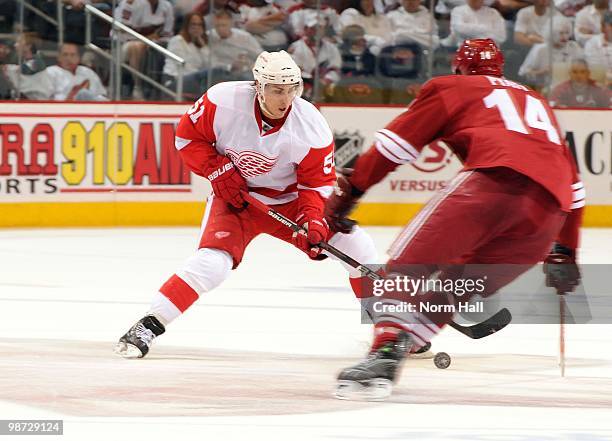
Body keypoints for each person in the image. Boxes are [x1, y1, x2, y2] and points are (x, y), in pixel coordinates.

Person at [325, 39, 583, 400]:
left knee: (406, 271)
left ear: (458, 67)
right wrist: (564, 252)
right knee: (454, 287)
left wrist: (348, 194)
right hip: (548, 216)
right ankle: (404, 344)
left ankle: (383, 349)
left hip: (490, 185)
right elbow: (576, 188)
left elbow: (392, 148)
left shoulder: (450, 87)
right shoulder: (535, 99)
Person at [114, 50, 381, 361]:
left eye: (292, 89)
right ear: (258, 86)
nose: (286, 99)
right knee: (213, 264)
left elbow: (314, 185)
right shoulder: (222, 101)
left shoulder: (311, 126)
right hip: (236, 200)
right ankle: (149, 324)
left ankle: (391, 330)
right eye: (277, 90)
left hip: (290, 201)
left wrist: (313, 220)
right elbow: (187, 138)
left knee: (357, 246)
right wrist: (215, 167)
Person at [163, 12, 211, 99]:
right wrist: (200, 75)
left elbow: (209, 64)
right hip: (175, 79)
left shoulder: (201, 44)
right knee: (213, 74)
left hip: (195, 79)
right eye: (193, 24)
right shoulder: (177, 41)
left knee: (216, 74)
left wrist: (203, 46)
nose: (196, 27)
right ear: (187, 25)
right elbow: (183, 66)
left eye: (200, 25)